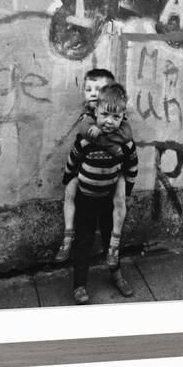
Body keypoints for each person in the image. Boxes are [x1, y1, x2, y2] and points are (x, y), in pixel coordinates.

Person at [62, 83, 138, 304]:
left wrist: (128, 189)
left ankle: (116, 275)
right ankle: (79, 285)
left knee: (111, 240)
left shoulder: (125, 144)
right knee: (83, 241)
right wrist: (68, 179)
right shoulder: (86, 139)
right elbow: (73, 158)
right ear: (95, 111)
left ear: (123, 116)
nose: (109, 121)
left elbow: (132, 166)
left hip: (108, 200)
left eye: (115, 117)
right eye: (104, 114)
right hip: (86, 198)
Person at [54, 69, 133, 269]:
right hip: (87, 180)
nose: (91, 93)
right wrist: (69, 175)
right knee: (72, 196)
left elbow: (127, 140)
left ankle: (116, 264)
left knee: (117, 207)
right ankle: (68, 236)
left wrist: (128, 179)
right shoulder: (87, 120)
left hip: (112, 179)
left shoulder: (116, 120)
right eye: (88, 89)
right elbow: (80, 139)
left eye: (98, 90)